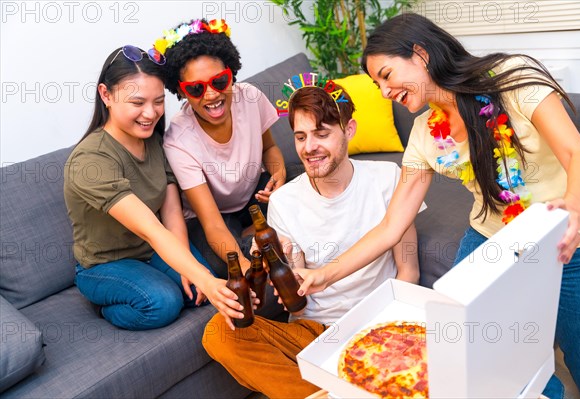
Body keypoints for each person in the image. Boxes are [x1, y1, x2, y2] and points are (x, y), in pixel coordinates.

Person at [294, 13, 580, 399]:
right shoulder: (424, 133)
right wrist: (325, 275)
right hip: (491, 242)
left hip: (574, 239)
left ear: (420, 54)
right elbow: (392, 225)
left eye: (386, 75)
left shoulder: (512, 76)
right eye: (377, 84)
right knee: (483, 361)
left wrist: (574, 209)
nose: (385, 91)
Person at [202, 82, 422, 398]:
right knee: (218, 333)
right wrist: (283, 261)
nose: (309, 147)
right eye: (301, 137)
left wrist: (392, 330)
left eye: (322, 134)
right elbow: (298, 294)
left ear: (349, 130)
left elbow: (409, 270)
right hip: (315, 334)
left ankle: (338, 389)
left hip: (378, 324)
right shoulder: (283, 202)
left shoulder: (387, 178)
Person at [64, 45, 250, 331]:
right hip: (105, 265)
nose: (150, 114)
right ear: (106, 95)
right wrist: (200, 276)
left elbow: (172, 212)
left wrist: (193, 270)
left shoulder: (153, 141)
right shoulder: (90, 160)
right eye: (137, 103)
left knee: (196, 293)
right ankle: (106, 306)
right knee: (164, 303)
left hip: (151, 249)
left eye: (158, 101)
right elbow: (150, 227)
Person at [158, 19, 286, 278]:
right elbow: (212, 224)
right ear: (181, 92)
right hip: (214, 214)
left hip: (253, 194)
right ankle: (257, 232)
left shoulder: (250, 97)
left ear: (231, 73)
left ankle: (254, 231)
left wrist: (279, 177)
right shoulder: (178, 140)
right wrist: (244, 266)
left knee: (305, 187)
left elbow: (269, 148)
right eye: (195, 88)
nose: (211, 95)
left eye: (218, 81)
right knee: (222, 264)